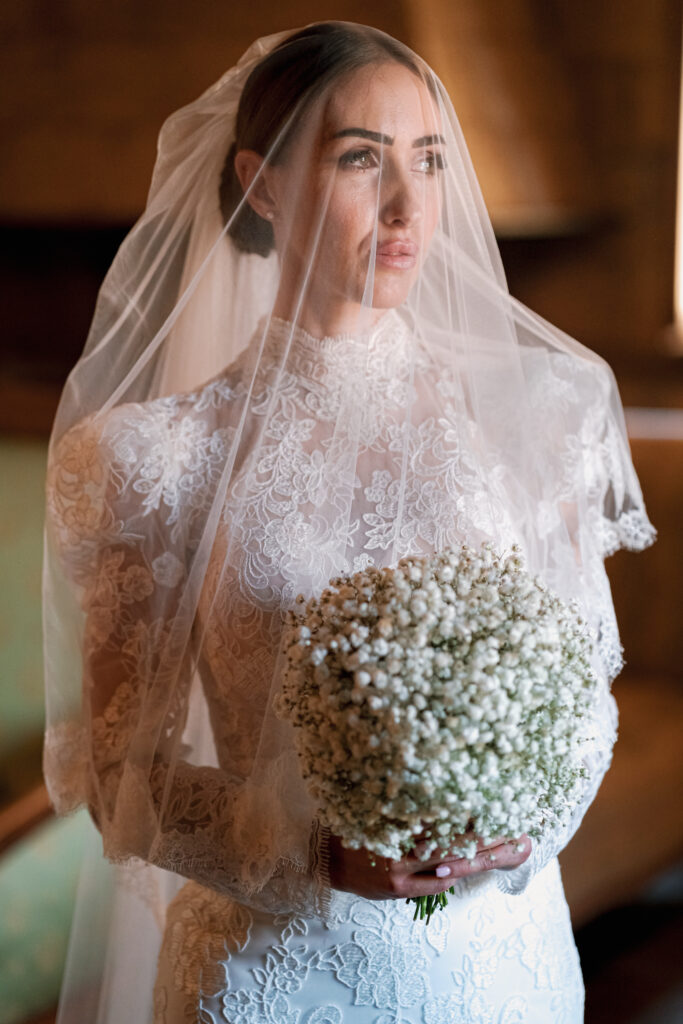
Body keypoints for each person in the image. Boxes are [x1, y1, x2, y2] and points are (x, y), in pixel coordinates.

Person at [42, 21, 655, 1023]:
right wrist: (307, 850)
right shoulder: (151, 459)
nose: (411, 205)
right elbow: (120, 776)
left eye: (428, 159)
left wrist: (519, 828)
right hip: (275, 976)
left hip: (501, 965)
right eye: (361, 159)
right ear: (263, 181)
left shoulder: (540, 416)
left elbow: (583, 701)